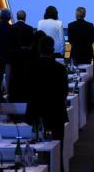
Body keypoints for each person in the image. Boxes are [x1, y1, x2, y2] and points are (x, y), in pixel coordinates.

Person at [26, 36, 68, 172]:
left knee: (35, 148)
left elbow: (28, 90)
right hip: (56, 112)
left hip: (36, 112)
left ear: (39, 49)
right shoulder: (60, 68)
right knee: (58, 148)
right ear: (52, 49)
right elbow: (64, 92)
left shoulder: (31, 67)